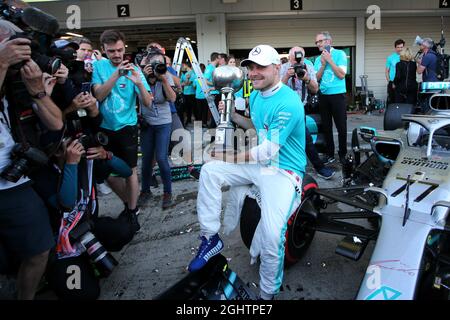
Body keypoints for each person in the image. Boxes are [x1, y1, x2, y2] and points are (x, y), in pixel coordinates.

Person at [189, 44, 306, 300]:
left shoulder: (289, 102)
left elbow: (266, 151)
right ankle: (210, 238)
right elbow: (256, 126)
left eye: (260, 67)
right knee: (210, 171)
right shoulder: (255, 95)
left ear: (277, 67)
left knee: (273, 237)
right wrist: (232, 115)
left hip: (284, 171)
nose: (253, 73)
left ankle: (267, 295)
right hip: (260, 166)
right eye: (251, 67)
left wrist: (228, 156)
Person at [0, 19, 63, 299]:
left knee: (39, 249)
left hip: (14, 181)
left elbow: (56, 123)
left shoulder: (13, 82)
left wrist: (37, 89)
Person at [91, 29, 152, 217]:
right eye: (111, 51)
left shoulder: (135, 69)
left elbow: (148, 102)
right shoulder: (99, 67)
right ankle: (129, 202)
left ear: (124, 47)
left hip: (127, 128)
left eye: (119, 50)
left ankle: (132, 210)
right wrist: (116, 75)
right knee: (108, 174)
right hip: (104, 128)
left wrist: (139, 83)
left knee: (130, 171)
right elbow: (99, 95)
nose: (117, 55)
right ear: (103, 50)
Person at [280, 46, 335, 180]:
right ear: (289, 58)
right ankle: (318, 167)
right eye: (293, 59)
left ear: (304, 58)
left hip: (300, 109)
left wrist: (306, 78)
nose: (296, 63)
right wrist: (287, 75)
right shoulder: (282, 67)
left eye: (299, 59)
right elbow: (277, 89)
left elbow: (315, 89)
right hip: (285, 109)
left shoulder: (308, 66)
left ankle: (316, 168)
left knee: (304, 138)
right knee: (298, 139)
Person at [138, 47, 176, 209]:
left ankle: (167, 192)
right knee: (146, 159)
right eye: (154, 64)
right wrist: (144, 79)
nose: (157, 66)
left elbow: (172, 98)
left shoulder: (166, 76)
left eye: (161, 63)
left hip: (163, 123)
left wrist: (164, 80)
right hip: (146, 123)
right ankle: (145, 191)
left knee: (161, 158)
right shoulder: (141, 77)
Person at [314, 31, 348, 164]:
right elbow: (316, 78)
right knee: (326, 127)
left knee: (341, 127)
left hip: (338, 95)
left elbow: (341, 75)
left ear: (328, 41)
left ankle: (343, 154)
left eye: (320, 41)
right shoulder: (318, 59)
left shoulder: (340, 54)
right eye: (316, 42)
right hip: (323, 95)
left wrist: (330, 60)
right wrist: (323, 64)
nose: (318, 44)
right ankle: (330, 154)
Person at [385, 39, 405, 105]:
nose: (400, 49)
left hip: (403, 83)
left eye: (401, 47)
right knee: (392, 101)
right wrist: (390, 81)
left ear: (403, 47)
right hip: (393, 82)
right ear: (395, 48)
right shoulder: (390, 57)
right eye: (398, 47)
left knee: (402, 102)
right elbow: (387, 71)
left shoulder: (406, 57)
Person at [180, 62, 196, 126]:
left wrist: (185, 82)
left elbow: (188, 83)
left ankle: (197, 122)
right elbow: (180, 83)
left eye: (183, 65)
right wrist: (184, 82)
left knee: (194, 108)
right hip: (185, 93)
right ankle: (188, 120)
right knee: (187, 108)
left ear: (185, 65)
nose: (182, 67)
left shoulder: (193, 73)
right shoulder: (184, 74)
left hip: (192, 93)